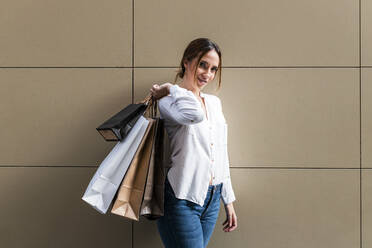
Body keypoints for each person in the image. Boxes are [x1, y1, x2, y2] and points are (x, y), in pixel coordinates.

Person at [150, 38, 237, 248]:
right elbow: (195, 115)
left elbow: (221, 153)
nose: (207, 74)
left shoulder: (215, 104)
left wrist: (229, 200)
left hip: (212, 199)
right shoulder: (169, 101)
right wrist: (172, 88)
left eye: (214, 69)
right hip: (182, 199)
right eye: (203, 65)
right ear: (186, 62)